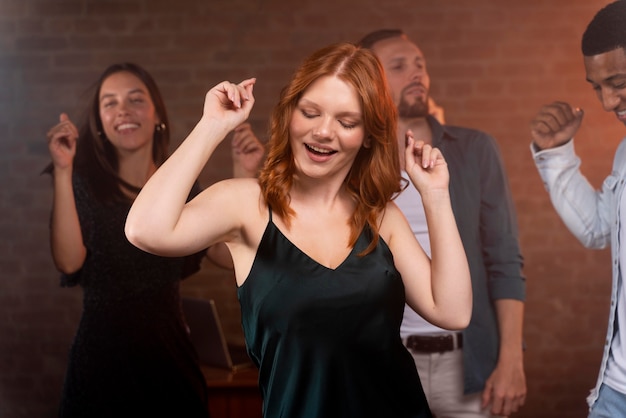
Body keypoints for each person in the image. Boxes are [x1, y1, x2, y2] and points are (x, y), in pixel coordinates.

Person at [125, 42, 472, 418]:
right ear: (290, 114)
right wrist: (213, 126)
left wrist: (435, 196)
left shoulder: (381, 217)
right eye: (310, 112)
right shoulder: (245, 204)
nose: (323, 131)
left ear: (368, 135)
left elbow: (452, 312)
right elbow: (144, 230)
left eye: (347, 121)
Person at [44, 62, 263, 418]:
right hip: (101, 360)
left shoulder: (181, 186)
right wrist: (63, 170)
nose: (123, 111)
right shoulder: (85, 184)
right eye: (110, 103)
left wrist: (244, 173)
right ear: (99, 123)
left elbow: (228, 256)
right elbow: (69, 261)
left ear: (156, 113)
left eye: (135, 99)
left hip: (170, 356)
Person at [359, 30, 527, 417]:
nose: (416, 73)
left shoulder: (475, 149)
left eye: (419, 63)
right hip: (383, 362)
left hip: (470, 366)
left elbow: (504, 260)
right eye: (398, 66)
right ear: (368, 82)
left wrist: (511, 360)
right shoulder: (354, 161)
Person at [529, 1, 626, 416]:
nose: (607, 102)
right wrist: (557, 156)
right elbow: (600, 228)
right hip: (614, 389)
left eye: (618, 82)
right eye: (597, 87)